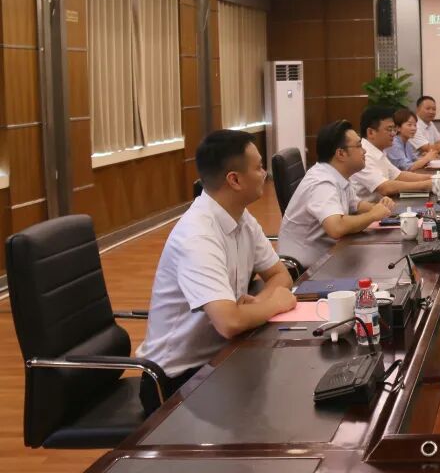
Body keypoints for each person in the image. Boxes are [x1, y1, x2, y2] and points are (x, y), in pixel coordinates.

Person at [136, 130, 296, 413]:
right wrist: (274, 303)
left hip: (223, 356)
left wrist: (259, 303)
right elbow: (229, 322)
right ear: (234, 180)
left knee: (286, 388)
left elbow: (279, 275)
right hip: (175, 382)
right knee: (280, 404)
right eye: (258, 167)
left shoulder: (241, 216)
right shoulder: (197, 235)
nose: (264, 174)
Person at [277, 120, 395, 269]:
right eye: (359, 146)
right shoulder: (321, 182)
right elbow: (336, 227)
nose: (364, 151)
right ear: (341, 153)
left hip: (330, 256)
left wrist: (378, 207)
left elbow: (355, 204)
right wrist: (373, 215)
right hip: (305, 270)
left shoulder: (338, 174)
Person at [352, 105, 433, 202]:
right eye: (389, 129)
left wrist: (433, 178)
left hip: (382, 206)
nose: (394, 134)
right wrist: (425, 185)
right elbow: (385, 187)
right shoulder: (363, 155)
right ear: (371, 132)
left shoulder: (379, 151)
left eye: (394, 129)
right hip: (367, 209)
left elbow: (399, 175)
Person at [388, 108, 439, 172]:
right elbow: (407, 168)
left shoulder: (407, 142)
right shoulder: (393, 144)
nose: (414, 128)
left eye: (415, 125)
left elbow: (414, 160)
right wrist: (426, 158)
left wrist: (425, 157)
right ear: (398, 128)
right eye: (409, 125)